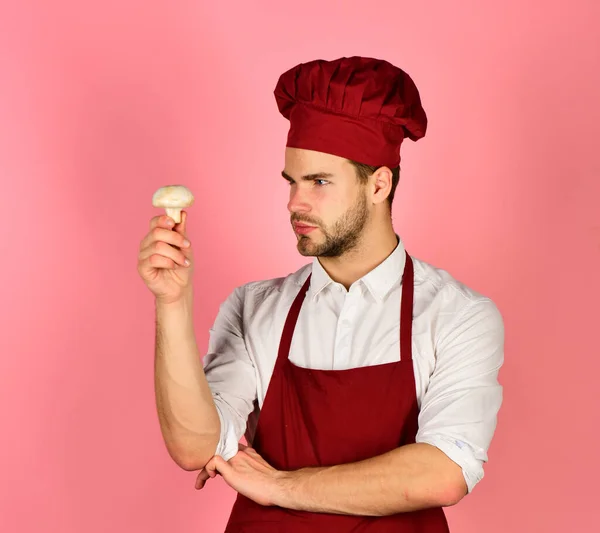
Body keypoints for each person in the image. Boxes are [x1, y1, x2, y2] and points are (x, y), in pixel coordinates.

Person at [137, 56, 505, 532]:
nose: (295, 204)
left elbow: (443, 472)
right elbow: (195, 446)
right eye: (292, 183)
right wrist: (171, 303)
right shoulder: (254, 308)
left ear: (379, 184)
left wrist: (279, 487)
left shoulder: (458, 315)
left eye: (319, 182)